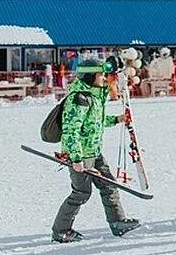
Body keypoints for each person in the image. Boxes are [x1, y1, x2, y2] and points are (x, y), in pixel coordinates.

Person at [51, 58, 139, 243]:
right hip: (80, 154)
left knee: (109, 185)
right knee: (81, 193)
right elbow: (70, 130)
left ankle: (118, 222)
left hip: (94, 152)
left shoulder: (94, 96)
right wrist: (76, 158)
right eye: (100, 74)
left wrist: (117, 119)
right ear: (90, 76)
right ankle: (61, 230)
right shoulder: (79, 99)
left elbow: (96, 121)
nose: (103, 78)